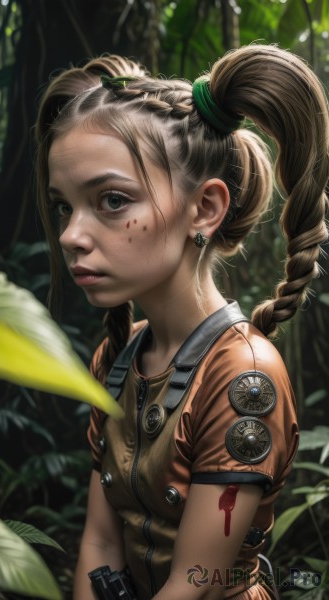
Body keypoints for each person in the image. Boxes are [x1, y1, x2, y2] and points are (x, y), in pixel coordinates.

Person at [35, 44, 328, 600]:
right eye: (64, 206)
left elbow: (195, 584)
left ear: (205, 209)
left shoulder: (243, 377)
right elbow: (98, 546)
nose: (72, 234)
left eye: (112, 200)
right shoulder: (121, 356)